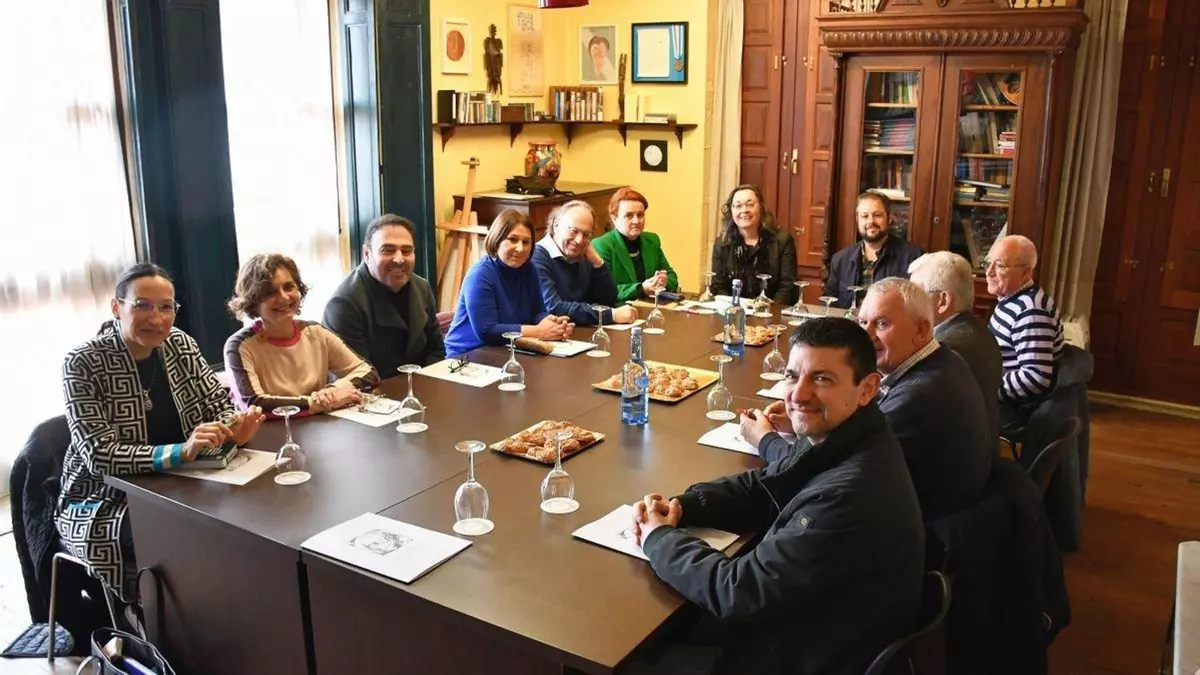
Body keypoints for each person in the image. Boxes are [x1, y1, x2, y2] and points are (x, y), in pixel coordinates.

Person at [631, 318, 924, 675]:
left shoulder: (848, 494)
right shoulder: (845, 434)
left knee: (633, 646)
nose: (798, 395)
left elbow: (739, 591)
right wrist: (683, 506)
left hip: (804, 654)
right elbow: (767, 484)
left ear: (867, 388)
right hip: (814, 624)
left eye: (822, 379)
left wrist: (660, 539)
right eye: (792, 376)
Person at [57, 263, 266, 617]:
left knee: (247, 521)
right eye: (143, 305)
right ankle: (154, 622)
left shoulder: (180, 345)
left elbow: (219, 406)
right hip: (102, 499)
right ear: (116, 307)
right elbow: (99, 455)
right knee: (175, 539)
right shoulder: (83, 362)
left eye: (166, 307)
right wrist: (180, 452)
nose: (157, 318)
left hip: (183, 482)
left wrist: (234, 432)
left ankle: (234, 618)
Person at [849, 278, 991, 520]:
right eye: (863, 322)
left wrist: (781, 437)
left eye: (882, 324)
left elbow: (846, 468)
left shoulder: (918, 397)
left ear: (922, 330)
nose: (866, 335)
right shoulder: (945, 358)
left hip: (920, 529)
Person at [224, 253, 379, 415]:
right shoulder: (239, 346)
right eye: (270, 292)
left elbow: (369, 373)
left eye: (289, 287)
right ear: (252, 301)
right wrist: (318, 402)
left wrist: (333, 390)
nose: (283, 297)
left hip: (318, 425)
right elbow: (253, 403)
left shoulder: (317, 333)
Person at [324, 214, 446, 377]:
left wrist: (425, 384)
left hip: (421, 385)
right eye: (387, 250)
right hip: (371, 390)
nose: (399, 259)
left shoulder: (422, 287)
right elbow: (356, 376)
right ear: (366, 254)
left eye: (406, 251)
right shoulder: (343, 304)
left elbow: (436, 350)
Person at [445, 210, 574, 355]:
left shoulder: (529, 268)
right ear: (497, 240)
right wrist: (538, 331)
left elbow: (537, 312)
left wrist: (552, 324)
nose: (520, 248)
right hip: (467, 354)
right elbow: (487, 331)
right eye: (513, 239)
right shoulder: (479, 275)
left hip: (509, 348)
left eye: (526, 242)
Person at [909, 251, 1002, 443]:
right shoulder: (979, 328)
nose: (907, 304)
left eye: (915, 294)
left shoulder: (944, 351)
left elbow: (906, 407)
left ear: (943, 301)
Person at [985, 235, 1065, 425]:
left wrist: (984, 390)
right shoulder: (1011, 299)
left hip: (1013, 410)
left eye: (1000, 266)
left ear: (1026, 273)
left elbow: (1036, 377)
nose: (989, 272)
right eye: (988, 263)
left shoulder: (1031, 311)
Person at [531, 200, 638, 326]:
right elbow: (553, 307)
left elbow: (608, 300)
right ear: (556, 225)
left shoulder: (584, 254)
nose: (579, 240)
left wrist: (598, 263)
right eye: (574, 231)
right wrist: (610, 315)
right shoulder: (537, 256)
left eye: (586, 234)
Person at [824, 191, 923, 309]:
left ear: (890, 218)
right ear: (857, 219)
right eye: (865, 216)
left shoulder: (913, 257)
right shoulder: (840, 260)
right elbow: (828, 306)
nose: (870, 221)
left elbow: (919, 306)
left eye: (877, 215)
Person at [709, 184, 797, 306]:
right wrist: (735, 308)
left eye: (750, 204)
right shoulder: (722, 244)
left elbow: (787, 287)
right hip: (733, 311)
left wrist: (769, 309)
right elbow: (718, 286)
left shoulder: (782, 241)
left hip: (771, 313)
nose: (744, 210)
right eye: (738, 206)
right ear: (731, 211)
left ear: (761, 207)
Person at [591, 188, 679, 302]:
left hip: (650, 305)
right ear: (614, 219)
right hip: (619, 309)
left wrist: (664, 281)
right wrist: (641, 289)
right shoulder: (602, 245)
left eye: (640, 215)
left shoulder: (652, 240)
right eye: (629, 216)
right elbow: (604, 291)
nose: (636, 221)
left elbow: (672, 276)